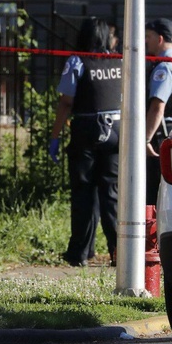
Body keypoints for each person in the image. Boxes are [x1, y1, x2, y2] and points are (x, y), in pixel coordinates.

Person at [48, 16, 122, 267]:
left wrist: (55, 136)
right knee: (110, 194)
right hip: (116, 132)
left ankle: (80, 252)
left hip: (87, 132)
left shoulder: (77, 61)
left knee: (83, 193)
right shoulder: (119, 61)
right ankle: (119, 250)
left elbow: (66, 102)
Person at [145, 18, 172, 205]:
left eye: (148, 36)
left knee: (154, 193)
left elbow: (157, 107)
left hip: (160, 136)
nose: (145, 41)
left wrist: (145, 139)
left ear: (160, 39)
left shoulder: (164, 68)